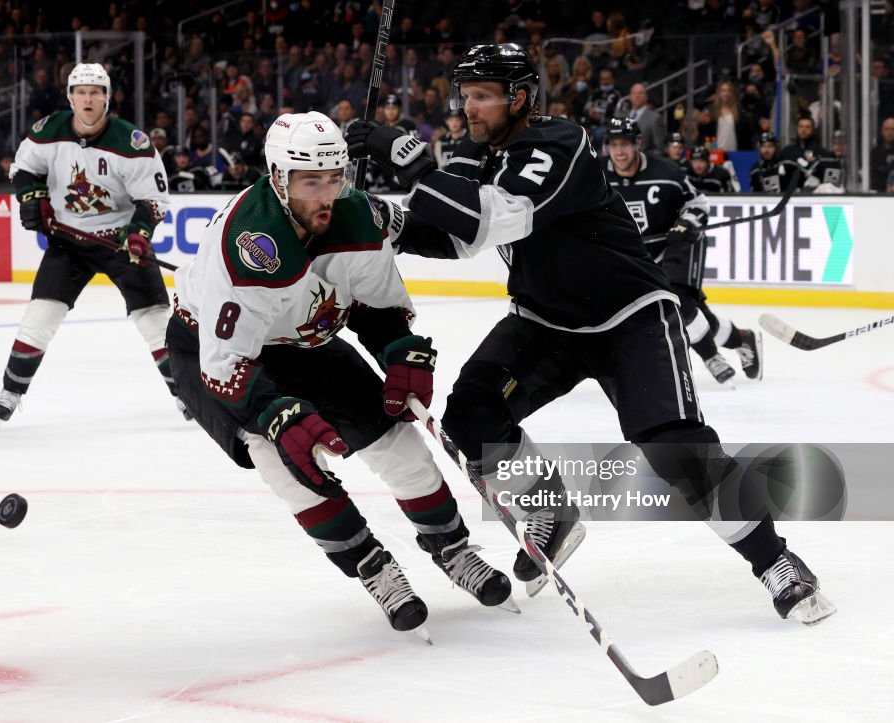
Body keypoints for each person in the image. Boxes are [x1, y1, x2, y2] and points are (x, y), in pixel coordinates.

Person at [345, 44, 833, 624]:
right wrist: (378, 218)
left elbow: (494, 218)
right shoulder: (485, 156)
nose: (467, 108)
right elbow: (455, 236)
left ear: (519, 97)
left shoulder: (559, 143)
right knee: (472, 417)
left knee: (676, 450)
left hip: (629, 317)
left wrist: (415, 166)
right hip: (546, 322)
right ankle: (553, 509)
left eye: (480, 97)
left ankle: (776, 561)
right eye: (464, 96)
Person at [167, 111, 515, 635]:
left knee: (397, 443)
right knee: (287, 460)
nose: (326, 195)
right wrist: (275, 414)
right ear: (278, 178)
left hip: (305, 341)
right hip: (214, 351)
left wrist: (399, 349)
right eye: (311, 182)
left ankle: (454, 550)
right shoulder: (247, 247)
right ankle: (373, 566)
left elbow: (374, 308)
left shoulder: (355, 217)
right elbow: (224, 364)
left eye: (335, 178)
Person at [0, 63, 187, 426]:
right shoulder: (49, 131)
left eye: (96, 92)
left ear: (107, 98)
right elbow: (23, 169)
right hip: (68, 241)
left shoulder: (132, 143)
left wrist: (139, 234)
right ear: (69, 97)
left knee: (155, 320)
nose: (88, 99)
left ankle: (187, 395)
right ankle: (11, 391)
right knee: (40, 316)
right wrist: (32, 196)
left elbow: (153, 200)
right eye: (81, 92)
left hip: (120, 242)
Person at [604, 117, 761, 385]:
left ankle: (711, 357)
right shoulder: (597, 177)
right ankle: (742, 339)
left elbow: (698, 202)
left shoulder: (666, 172)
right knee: (698, 315)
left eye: (626, 145)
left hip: (681, 243)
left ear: (638, 144)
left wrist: (686, 222)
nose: (620, 152)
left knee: (678, 302)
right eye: (614, 145)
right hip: (640, 254)